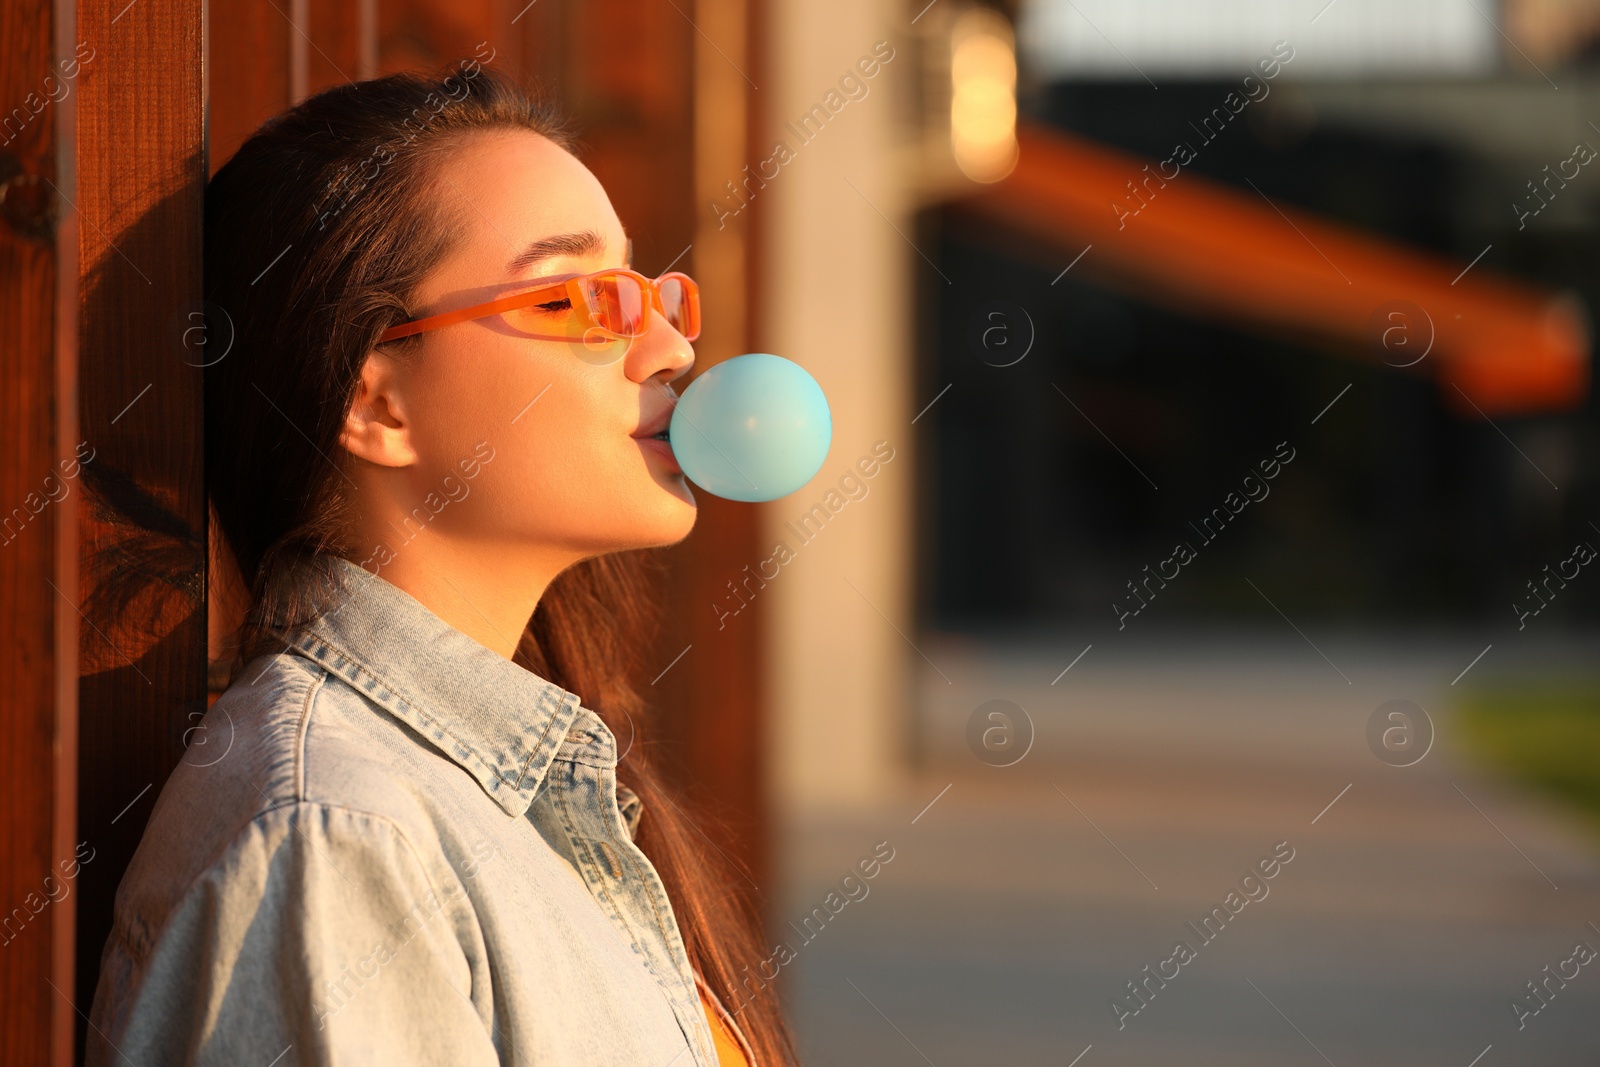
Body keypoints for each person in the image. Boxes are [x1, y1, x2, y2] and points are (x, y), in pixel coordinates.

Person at [85, 63, 793, 1067]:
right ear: (377, 405)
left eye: (649, 292)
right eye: (581, 298)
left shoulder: (492, 787)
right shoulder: (333, 840)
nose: (669, 345)